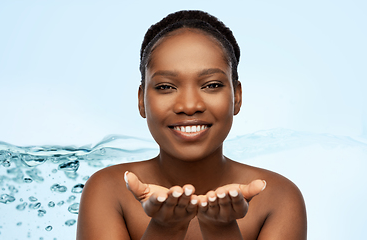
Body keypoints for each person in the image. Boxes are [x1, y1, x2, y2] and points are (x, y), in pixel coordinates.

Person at [76, 10, 307, 240]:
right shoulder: (108, 190)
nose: (189, 105)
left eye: (211, 85)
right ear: (141, 101)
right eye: (166, 86)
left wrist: (221, 229)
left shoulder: (278, 198)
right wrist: (165, 228)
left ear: (237, 97)